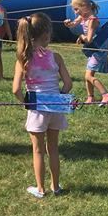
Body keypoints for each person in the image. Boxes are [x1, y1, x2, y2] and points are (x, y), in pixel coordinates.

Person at [12, 12, 72, 198]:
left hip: (37, 108)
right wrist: (59, 98)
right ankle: (56, 187)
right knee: (53, 148)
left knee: (38, 150)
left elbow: (15, 89)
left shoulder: (23, 59)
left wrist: (26, 103)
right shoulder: (57, 57)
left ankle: (40, 189)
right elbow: (68, 84)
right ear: (45, 34)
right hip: (55, 107)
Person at [64, 0, 108, 105]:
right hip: (93, 49)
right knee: (88, 75)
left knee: (88, 75)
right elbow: (73, 24)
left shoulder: (92, 20)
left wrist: (81, 36)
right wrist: (68, 24)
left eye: (77, 9)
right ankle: (90, 98)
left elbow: (89, 39)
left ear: (84, 6)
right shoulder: (83, 16)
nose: (76, 13)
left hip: (98, 49)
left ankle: (106, 94)